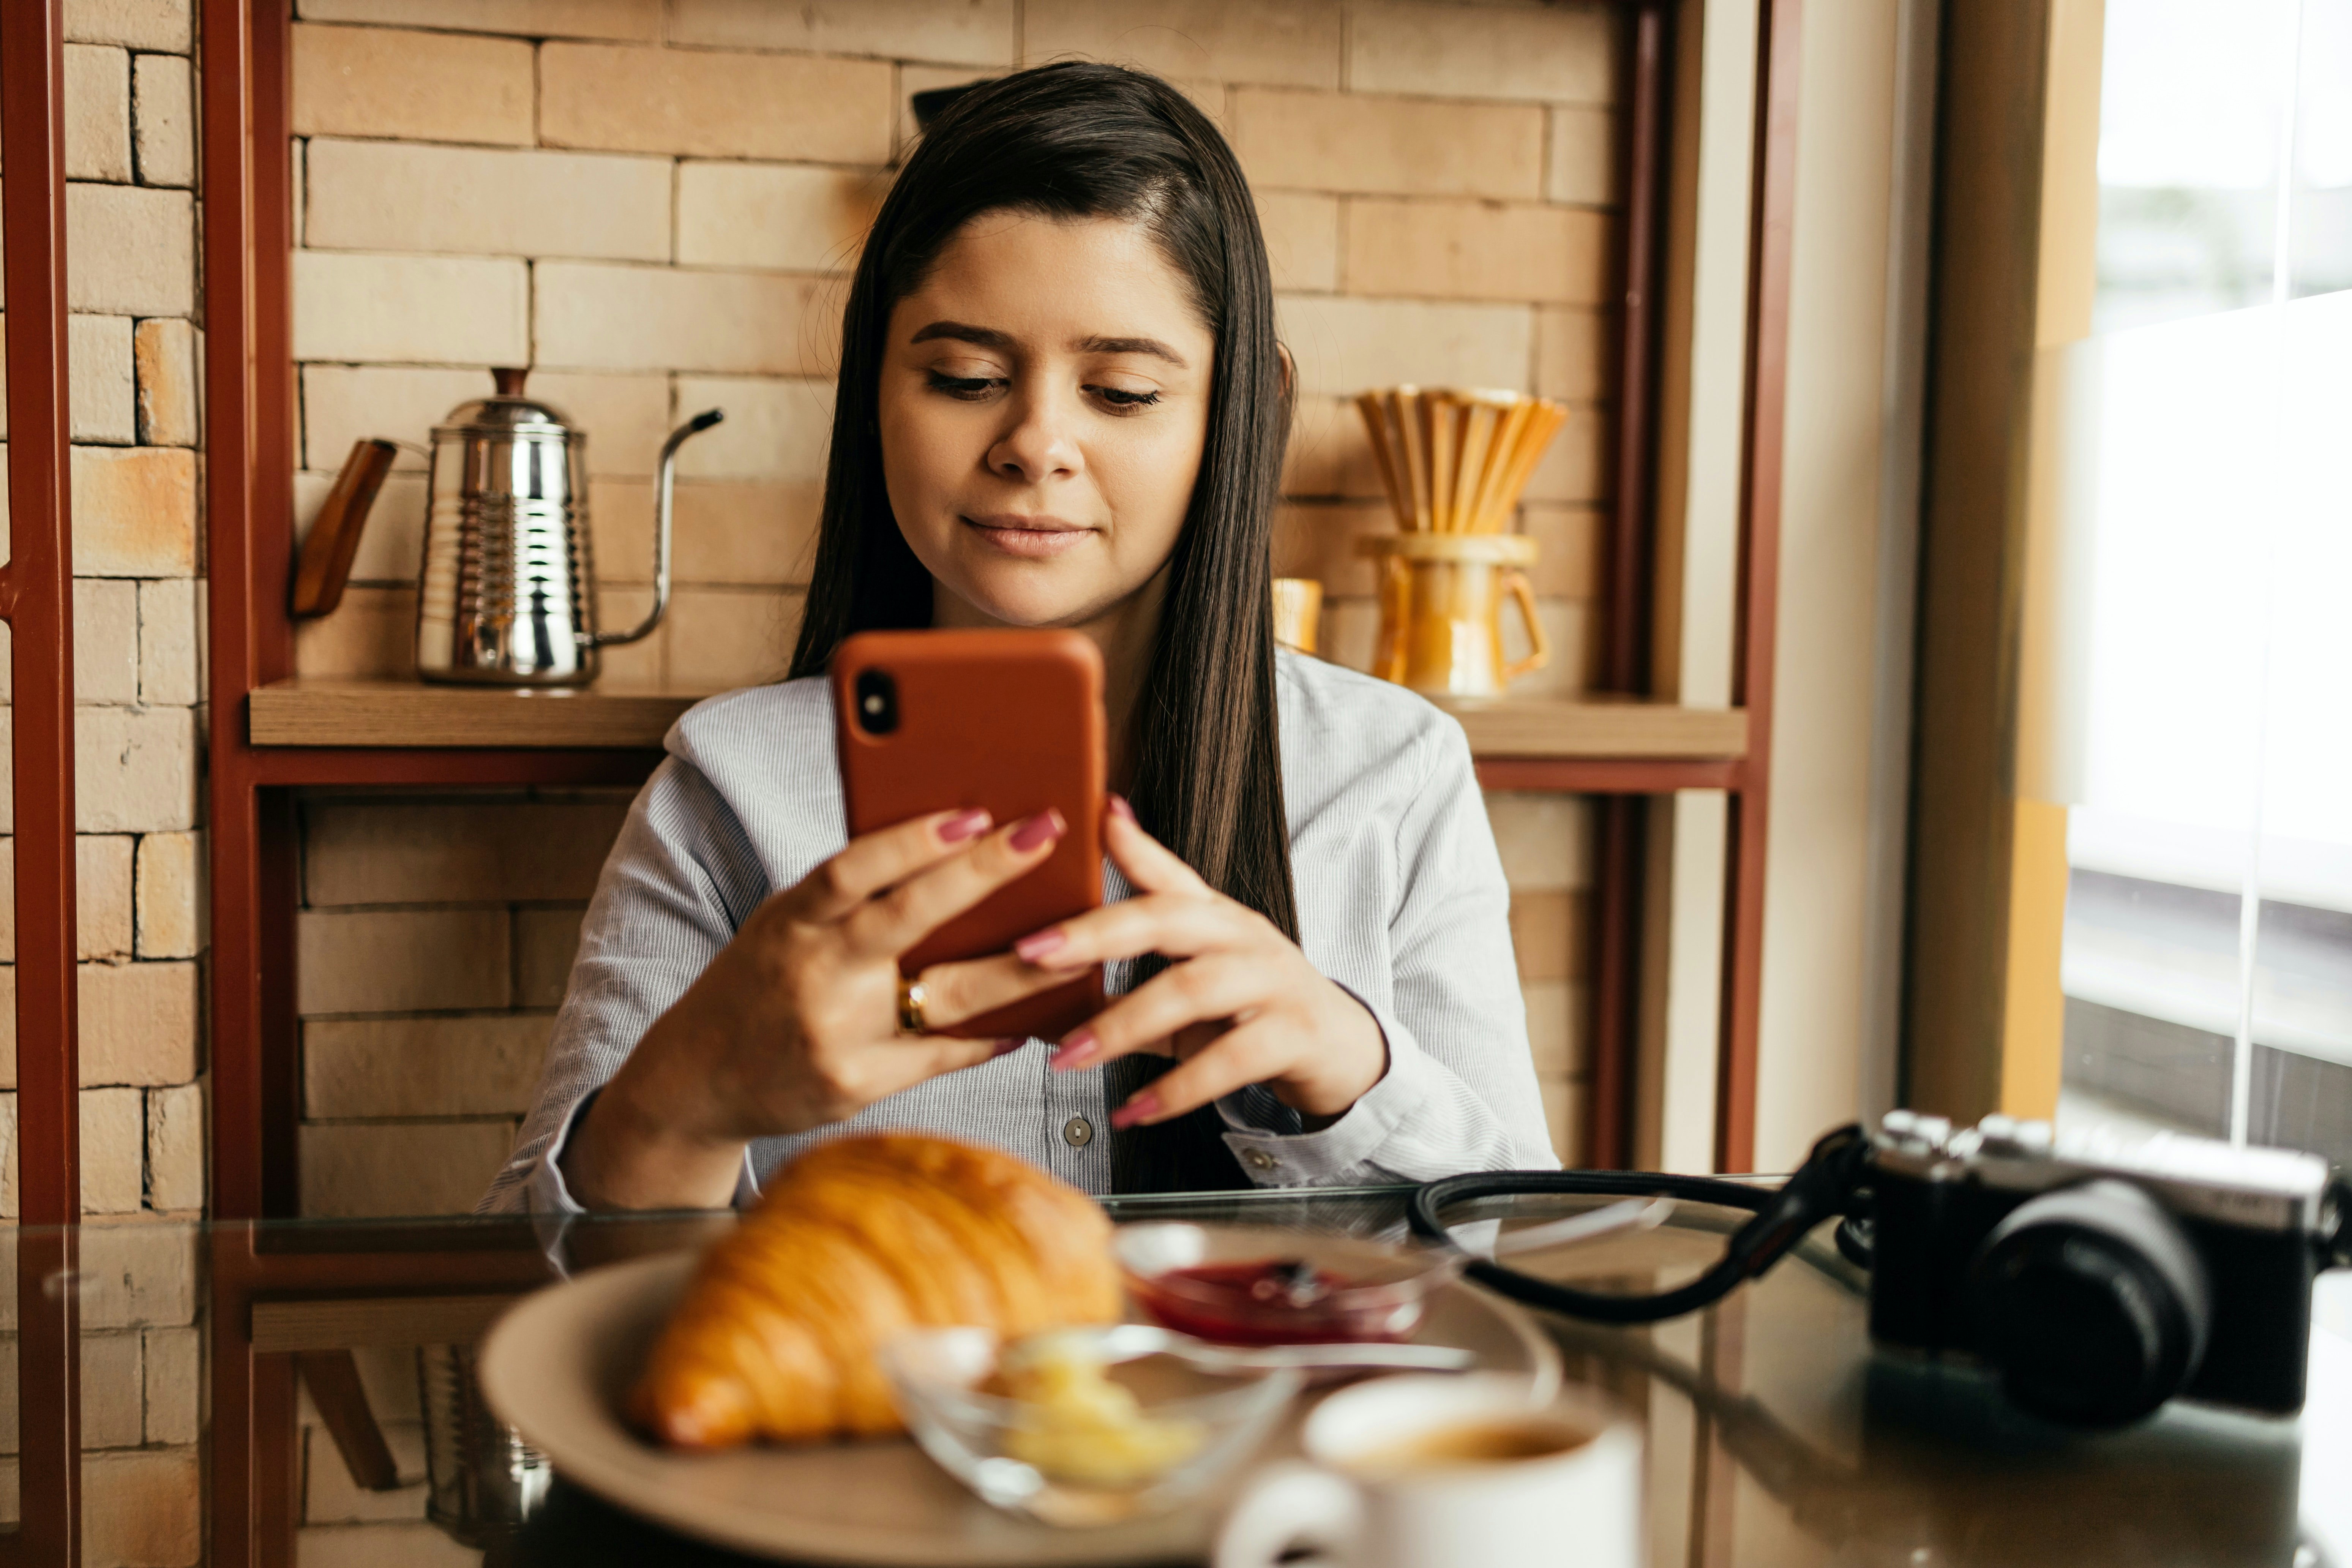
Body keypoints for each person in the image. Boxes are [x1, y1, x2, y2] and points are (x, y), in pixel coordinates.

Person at [483, 62, 1556, 1214]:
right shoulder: (732, 790)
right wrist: (683, 1102)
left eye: (1123, 392)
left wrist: (1349, 1063)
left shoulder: (1392, 771)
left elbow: (1521, 1252)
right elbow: (531, 1289)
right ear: (874, 388)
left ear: (1244, 408)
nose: (1035, 443)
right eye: (967, 377)